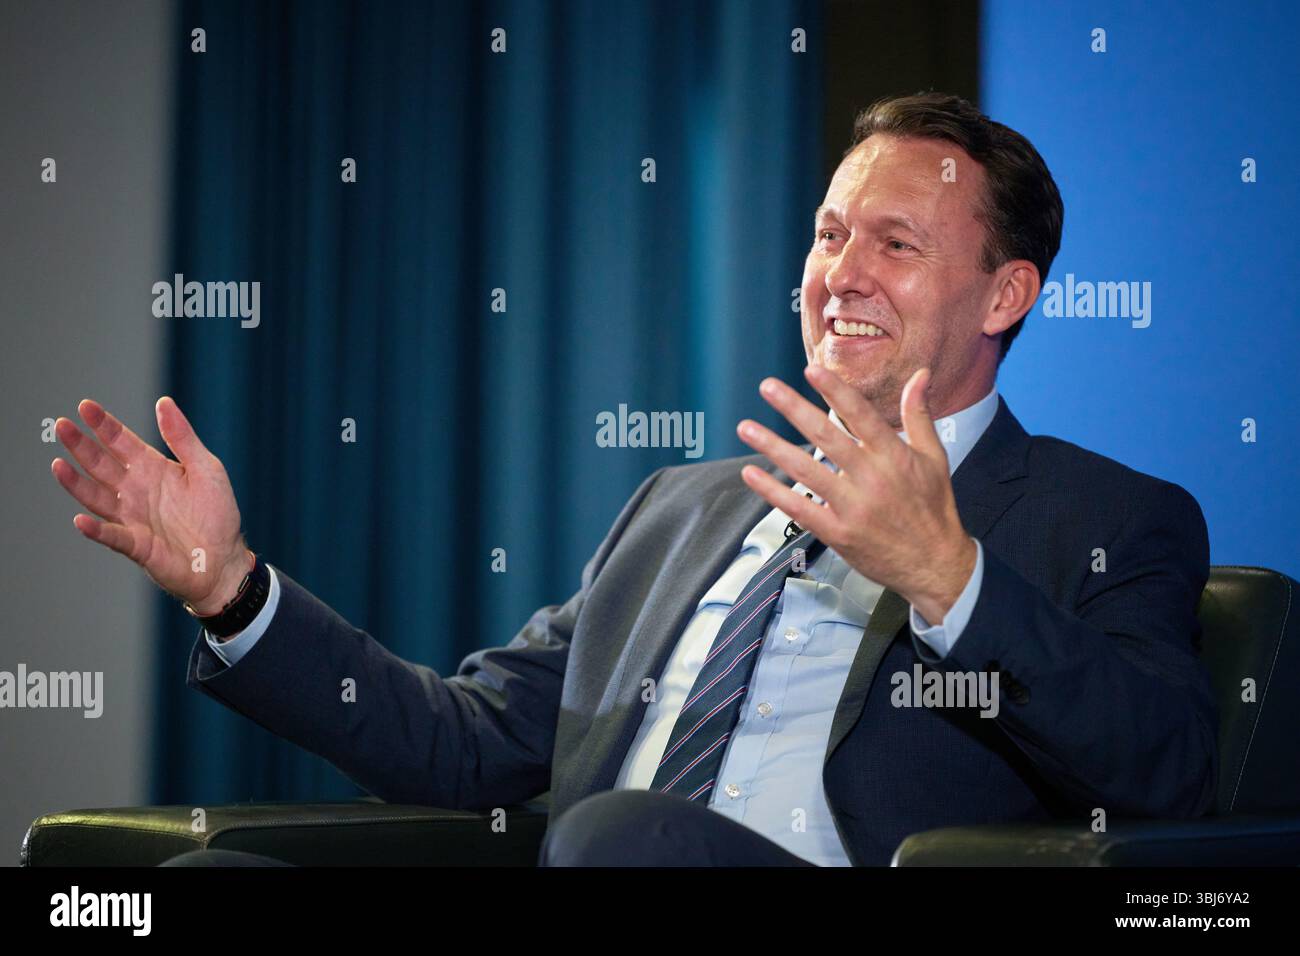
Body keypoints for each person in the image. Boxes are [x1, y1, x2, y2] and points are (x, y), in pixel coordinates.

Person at [51, 93, 1218, 867]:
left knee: (624, 835)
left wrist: (947, 576)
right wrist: (231, 587)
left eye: (895, 244)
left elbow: (1164, 770)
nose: (840, 275)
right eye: (826, 235)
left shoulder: (1107, 518)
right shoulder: (682, 507)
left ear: (1005, 295)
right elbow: (464, 744)